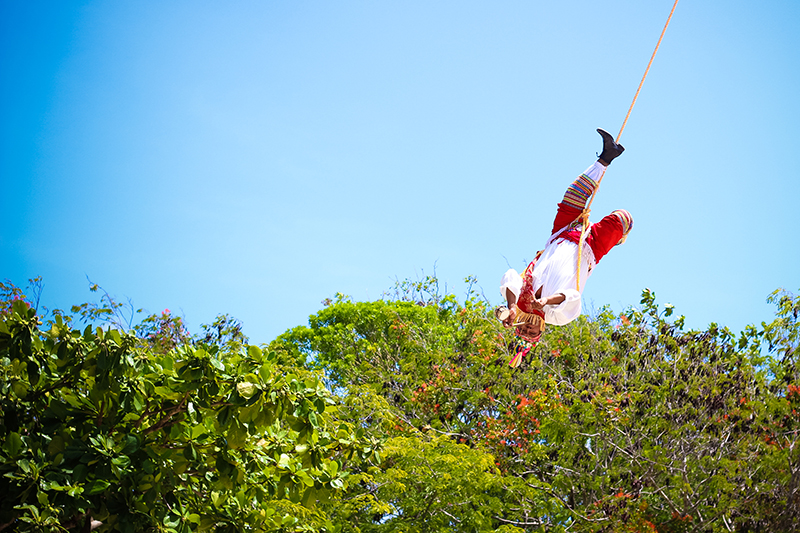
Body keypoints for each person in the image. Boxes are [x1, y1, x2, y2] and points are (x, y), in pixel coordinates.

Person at [499, 129, 633, 366]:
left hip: (563, 232)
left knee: (573, 194)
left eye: (524, 330)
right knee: (622, 219)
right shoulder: (556, 317)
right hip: (590, 248)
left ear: (518, 325)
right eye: (533, 333)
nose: (530, 328)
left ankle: (606, 156)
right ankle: (612, 230)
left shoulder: (519, 302)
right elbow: (573, 297)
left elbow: (510, 276)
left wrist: (510, 307)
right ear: (540, 333)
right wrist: (547, 301)